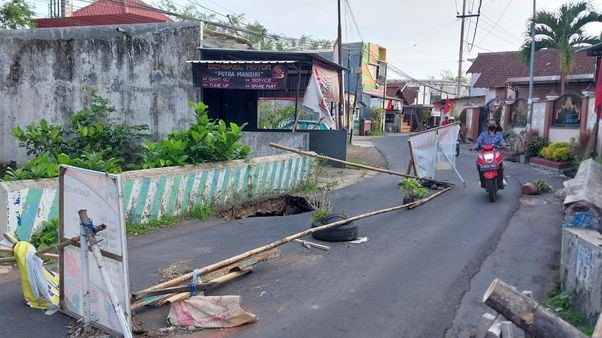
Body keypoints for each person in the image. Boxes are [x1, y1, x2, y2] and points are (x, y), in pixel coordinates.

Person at [474, 119, 506, 188]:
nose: (491, 125)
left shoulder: (499, 134)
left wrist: (504, 144)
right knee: (478, 162)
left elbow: (502, 141)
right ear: (487, 125)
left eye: (493, 124)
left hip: (496, 152)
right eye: (490, 124)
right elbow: (478, 141)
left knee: (501, 164)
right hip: (484, 152)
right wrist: (476, 146)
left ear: (496, 125)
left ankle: (501, 179)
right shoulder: (483, 134)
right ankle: (482, 179)